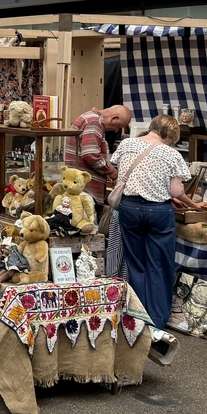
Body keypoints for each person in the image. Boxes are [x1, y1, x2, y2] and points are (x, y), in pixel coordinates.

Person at [109, 115, 189, 357]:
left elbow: (118, 172)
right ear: (169, 136)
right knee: (159, 266)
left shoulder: (126, 144)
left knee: (136, 264)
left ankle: (137, 319)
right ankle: (156, 321)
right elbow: (175, 190)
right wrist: (189, 200)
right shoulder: (171, 154)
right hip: (158, 212)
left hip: (129, 208)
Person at [64, 104, 131, 204]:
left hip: (78, 187)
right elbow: (90, 154)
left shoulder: (89, 118)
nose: (116, 130)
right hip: (84, 191)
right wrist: (111, 171)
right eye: (118, 126)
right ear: (114, 118)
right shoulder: (94, 122)